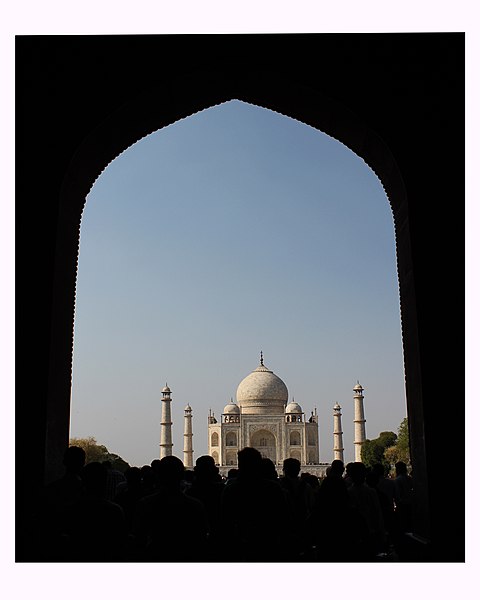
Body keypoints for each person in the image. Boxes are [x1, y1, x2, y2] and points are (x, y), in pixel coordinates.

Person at [134, 455, 208, 561]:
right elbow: (201, 537)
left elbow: (139, 536)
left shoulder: (146, 504)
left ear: (158, 476)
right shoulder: (195, 505)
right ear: (182, 476)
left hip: (156, 555)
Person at [220, 448, 289, 561]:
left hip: (240, 545)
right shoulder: (273, 489)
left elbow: (225, 521)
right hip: (269, 543)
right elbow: (284, 518)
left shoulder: (231, 490)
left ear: (240, 465)